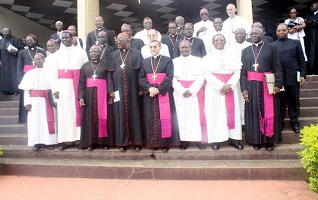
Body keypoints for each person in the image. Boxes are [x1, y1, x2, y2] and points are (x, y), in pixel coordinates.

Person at [240, 27, 283, 150]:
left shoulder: (271, 48)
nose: (253, 35)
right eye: (251, 33)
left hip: (267, 85)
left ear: (262, 34)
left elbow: (277, 67)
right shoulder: (245, 51)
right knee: (254, 112)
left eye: (256, 33)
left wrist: (278, 85)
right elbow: (242, 73)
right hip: (251, 86)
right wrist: (244, 89)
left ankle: (270, 141)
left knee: (269, 112)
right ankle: (256, 140)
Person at [203, 34, 243, 150]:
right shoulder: (207, 57)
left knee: (233, 113)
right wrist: (221, 86)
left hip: (231, 88)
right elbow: (207, 74)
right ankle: (216, 140)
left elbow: (237, 71)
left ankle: (234, 139)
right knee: (215, 114)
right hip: (215, 90)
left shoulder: (233, 55)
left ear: (225, 42)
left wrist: (229, 85)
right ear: (213, 43)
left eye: (221, 39)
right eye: (216, 40)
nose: (219, 42)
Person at [49, 30, 88, 150]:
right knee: (64, 113)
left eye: (67, 37)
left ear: (72, 38)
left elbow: (86, 69)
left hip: (77, 85)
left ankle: (79, 139)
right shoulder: (56, 54)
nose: (65, 39)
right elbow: (53, 73)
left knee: (78, 112)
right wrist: (55, 89)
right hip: (63, 87)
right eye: (63, 38)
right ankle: (66, 141)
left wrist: (84, 88)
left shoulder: (81, 52)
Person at [139, 40, 180, 152]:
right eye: (151, 47)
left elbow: (169, 77)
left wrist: (158, 89)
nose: (152, 49)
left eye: (155, 47)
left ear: (160, 47)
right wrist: (149, 88)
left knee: (164, 118)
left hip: (163, 93)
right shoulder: (145, 62)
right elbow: (141, 78)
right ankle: (153, 143)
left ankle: (164, 144)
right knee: (150, 118)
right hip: (150, 95)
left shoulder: (167, 60)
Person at [107, 33, 143, 152]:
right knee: (119, 114)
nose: (118, 42)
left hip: (133, 89)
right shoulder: (113, 55)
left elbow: (141, 72)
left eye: (120, 40)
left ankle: (136, 142)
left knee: (135, 114)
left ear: (128, 41)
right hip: (117, 90)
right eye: (117, 40)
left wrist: (141, 88)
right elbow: (110, 74)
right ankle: (122, 143)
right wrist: (111, 90)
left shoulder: (136, 53)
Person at [272, 23, 306, 133]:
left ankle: (295, 122)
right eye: (279, 30)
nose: (281, 32)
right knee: (280, 102)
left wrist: (302, 75)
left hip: (293, 77)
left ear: (288, 31)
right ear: (276, 32)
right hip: (279, 80)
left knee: (294, 101)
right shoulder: (272, 45)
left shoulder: (295, 43)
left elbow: (301, 60)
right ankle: (280, 123)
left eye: (283, 30)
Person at [18, 53, 57, 151]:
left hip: (46, 100)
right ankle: (36, 142)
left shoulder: (50, 72)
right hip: (34, 101)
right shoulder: (29, 73)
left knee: (47, 121)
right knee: (34, 122)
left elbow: (54, 88)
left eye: (39, 59)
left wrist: (55, 100)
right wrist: (27, 102)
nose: (37, 61)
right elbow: (26, 90)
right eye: (35, 59)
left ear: (44, 60)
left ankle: (49, 142)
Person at [78, 45, 114, 150]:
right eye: (91, 52)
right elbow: (81, 82)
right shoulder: (85, 66)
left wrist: (110, 93)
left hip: (103, 95)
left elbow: (110, 80)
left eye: (96, 52)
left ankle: (104, 142)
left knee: (103, 117)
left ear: (100, 53)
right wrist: (81, 96)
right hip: (89, 96)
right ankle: (90, 142)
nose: (93, 53)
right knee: (90, 118)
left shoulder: (105, 65)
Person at [172, 40, 206, 150]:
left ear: (190, 48)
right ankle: (184, 141)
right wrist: (182, 90)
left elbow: (201, 76)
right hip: (179, 93)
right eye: (182, 47)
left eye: (186, 47)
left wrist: (192, 90)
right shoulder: (174, 61)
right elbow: (172, 78)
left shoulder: (198, 60)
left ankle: (198, 140)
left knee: (196, 116)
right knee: (181, 117)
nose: (184, 49)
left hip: (194, 92)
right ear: (179, 49)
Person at [17, 34, 46, 124]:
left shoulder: (41, 51)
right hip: (26, 76)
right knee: (26, 98)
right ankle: (25, 120)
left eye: (31, 40)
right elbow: (19, 67)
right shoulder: (22, 52)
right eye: (27, 40)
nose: (29, 41)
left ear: (35, 41)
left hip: (40, 75)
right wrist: (19, 80)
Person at [228, 28, 251, 125]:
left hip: (248, 76)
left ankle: (248, 122)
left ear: (245, 35)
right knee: (237, 100)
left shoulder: (250, 46)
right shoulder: (229, 48)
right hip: (236, 77)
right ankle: (240, 123)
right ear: (235, 35)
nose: (240, 35)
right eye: (238, 34)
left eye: (242, 33)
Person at [0, 27, 24, 95]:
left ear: (10, 32)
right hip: (3, 62)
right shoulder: (1, 41)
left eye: (6, 32)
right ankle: (4, 90)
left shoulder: (16, 40)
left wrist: (16, 52)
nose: (5, 34)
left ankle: (15, 90)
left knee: (13, 74)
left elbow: (22, 51)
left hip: (13, 61)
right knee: (3, 75)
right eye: (3, 32)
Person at [305, 2, 318, 74]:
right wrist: (312, 22)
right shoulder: (309, 16)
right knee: (310, 53)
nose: (311, 7)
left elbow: (315, 23)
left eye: (312, 6)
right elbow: (306, 22)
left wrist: (312, 22)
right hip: (309, 38)